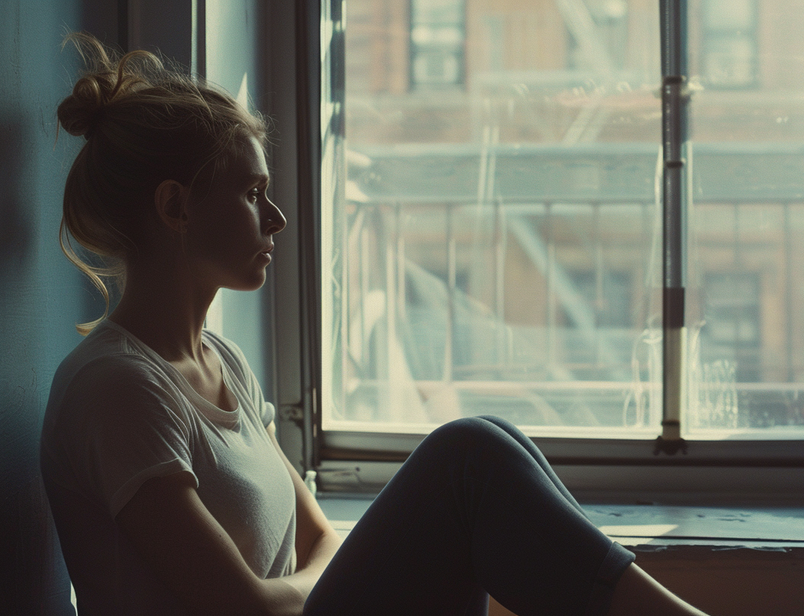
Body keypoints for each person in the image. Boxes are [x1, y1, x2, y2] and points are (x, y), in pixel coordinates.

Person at [39, 34, 708, 616]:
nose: (276, 219)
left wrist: (321, 582)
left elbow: (322, 541)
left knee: (490, 441)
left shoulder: (225, 364)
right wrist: (324, 586)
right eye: (252, 194)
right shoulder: (116, 388)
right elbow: (247, 607)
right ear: (175, 207)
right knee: (468, 457)